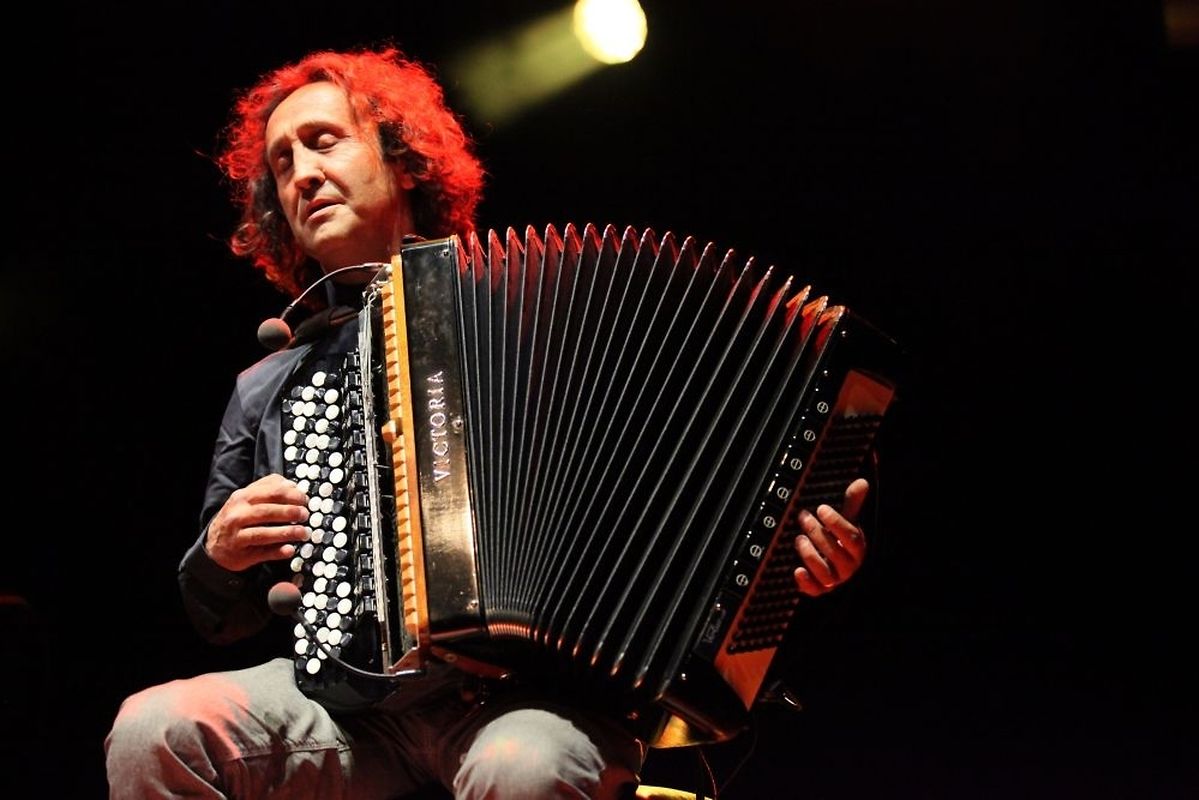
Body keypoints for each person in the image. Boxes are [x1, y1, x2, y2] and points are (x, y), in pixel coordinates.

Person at [103, 45, 874, 800]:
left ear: (403, 161)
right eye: (281, 163)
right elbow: (218, 613)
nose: (301, 174)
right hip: (350, 711)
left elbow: (725, 467)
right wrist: (220, 551)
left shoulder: (539, 311)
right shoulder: (270, 384)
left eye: (323, 141)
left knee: (524, 768)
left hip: (530, 699)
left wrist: (800, 550)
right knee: (154, 729)